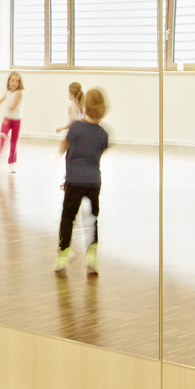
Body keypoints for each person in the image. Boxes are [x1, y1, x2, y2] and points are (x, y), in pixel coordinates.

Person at [56, 87, 108, 275]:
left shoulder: (76, 127)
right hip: (94, 182)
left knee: (68, 216)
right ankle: (92, 255)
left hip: (74, 180)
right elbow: (98, 153)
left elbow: (64, 145)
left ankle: (64, 252)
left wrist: (61, 153)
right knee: (92, 218)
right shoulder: (103, 134)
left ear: (85, 107)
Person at [0, 72, 24, 165]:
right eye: (12, 80)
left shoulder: (19, 93)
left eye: (17, 81)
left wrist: (5, 102)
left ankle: (12, 162)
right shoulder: (8, 91)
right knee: (2, 137)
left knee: (14, 143)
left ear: (19, 83)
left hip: (17, 120)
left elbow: (12, 107)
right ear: (9, 81)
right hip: (7, 119)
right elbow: (3, 98)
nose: (14, 83)